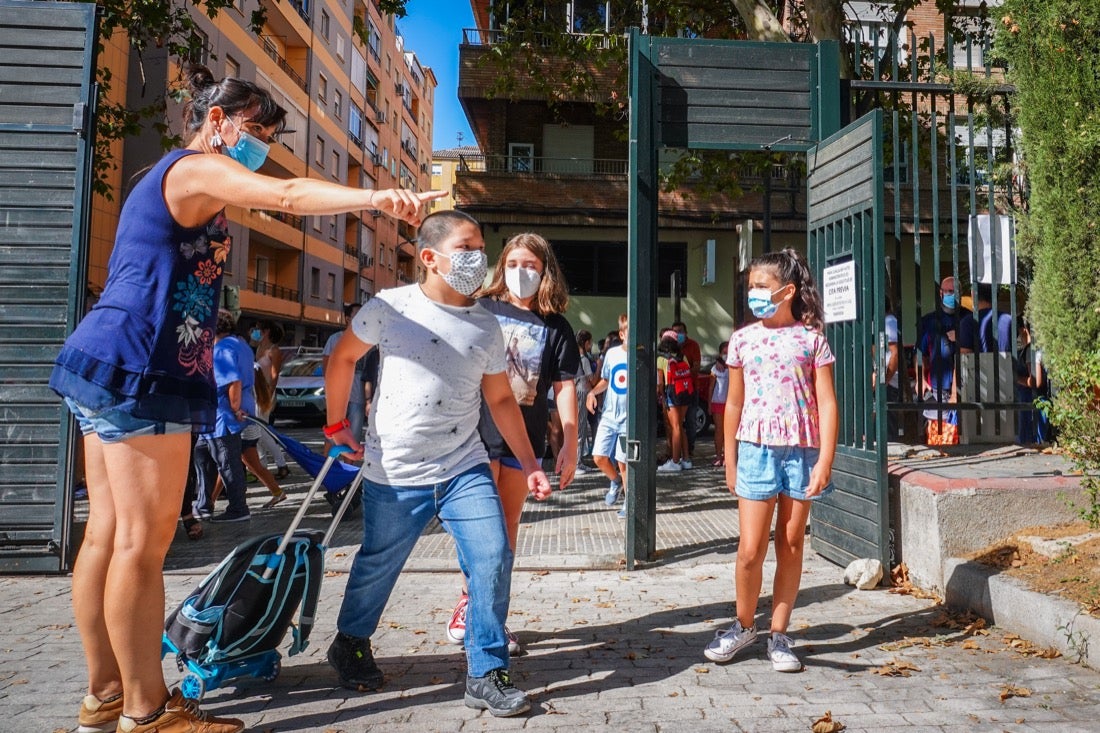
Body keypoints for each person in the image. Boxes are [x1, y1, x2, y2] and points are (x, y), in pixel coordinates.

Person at [48, 64, 438, 733]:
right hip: (143, 368)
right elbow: (284, 192)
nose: (262, 141)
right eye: (255, 128)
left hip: (108, 360)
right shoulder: (193, 169)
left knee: (109, 538)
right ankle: (145, 713)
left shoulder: (178, 183)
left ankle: (107, 694)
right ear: (217, 121)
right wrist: (375, 199)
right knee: (139, 545)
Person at [322, 210, 552, 718]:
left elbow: (500, 401)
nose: (478, 260)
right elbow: (342, 359)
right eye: (466, 249)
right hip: (395, 471)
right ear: (430, 258)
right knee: (378, 563)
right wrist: (336, 425)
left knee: (493, 554)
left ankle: (486, 671)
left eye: (479, 248)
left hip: (462, 466)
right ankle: (350, 642)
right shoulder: (390, 307)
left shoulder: (486, 325)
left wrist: (531, 462)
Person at [704, 248, 838, 673]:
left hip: (802, 452)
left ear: (788, 290)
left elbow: (828, 403)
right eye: (751, 287)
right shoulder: (742, 339)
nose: (754, 294)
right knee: (749, 550)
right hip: (756, 451)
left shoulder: (812, 340)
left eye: (762, 286)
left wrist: (825, 462)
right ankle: (744, 625)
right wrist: (728, 457)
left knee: (792, 543)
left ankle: (779, 634)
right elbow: (733, 403)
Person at [446, 232, 579, 655]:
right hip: (473, 436)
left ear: (545, 272)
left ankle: (492, 618)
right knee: (477, 532)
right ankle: (471, 604)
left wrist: (570, 442)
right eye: (515, 263)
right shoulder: (481, 309)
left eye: (532, 266)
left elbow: (565, 389)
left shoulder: (556, 326)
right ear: (501, 266)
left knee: (505, 534)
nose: (523, 273)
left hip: (525, 443)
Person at [193, 309, 257, 523]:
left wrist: (235, 407)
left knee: (227, 461)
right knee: (203, 455)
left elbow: (233, 380)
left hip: (223, 415)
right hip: (219, 416)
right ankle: (203, 505)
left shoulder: (221, 349)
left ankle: (238, 508)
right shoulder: (241, 344)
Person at [915, 276, 973, 442]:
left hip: (967, 388)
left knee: (964, 439)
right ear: (940, 293)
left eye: (955, 292)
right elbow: (920, 354)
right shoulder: (929, 321)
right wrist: (920, 379)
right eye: (948, 291)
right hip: (937, 390)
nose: (951, 295)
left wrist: (960, 339)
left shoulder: (969, 320)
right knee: (939, 440)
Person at [586, 314, 630, 516]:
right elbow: (605, 380)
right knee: (599, 457)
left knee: (624, 461)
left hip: (628, 419)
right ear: (622, 334)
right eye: (630, 332)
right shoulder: (612, 354)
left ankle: (629, 502)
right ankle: (615, 481)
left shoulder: (640, 355)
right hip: (610, 416)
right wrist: (592, 392)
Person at [323, 302, 372, 441]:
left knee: (353, 436)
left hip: (358, 396)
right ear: (348, 319)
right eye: (357, 315)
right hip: (337, 394)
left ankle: (348, 464)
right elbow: (327, 365)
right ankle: (329, 463)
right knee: (332, 436)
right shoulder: (334, 339)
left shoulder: (370, 341)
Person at [250, 320, 289, 478]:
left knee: (261, 429)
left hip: (265, 393)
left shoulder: (274, 351)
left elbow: (274, 375)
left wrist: (269, 394)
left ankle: (281, 464)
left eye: (259, 330)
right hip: (254, 392)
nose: (256, 332)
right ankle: (263, 466)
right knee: (256, 430)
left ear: (266, 332)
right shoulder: (258, 347)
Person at [656, 329, 694, 472]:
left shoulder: (661, 359)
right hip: (684, 392)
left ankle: (675, 462)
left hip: (672, 393)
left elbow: (660, 382)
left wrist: (661, 397)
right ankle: (686, 459)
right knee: (681, 426)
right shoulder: (682, 357)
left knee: (675, 428)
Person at [671, 320, 701, 468]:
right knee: (676, 424)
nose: (678, 334)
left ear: (686, 332)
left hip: (690, 389)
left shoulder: (693, 345)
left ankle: (689, 451)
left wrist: (682, 374)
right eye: (675, 331)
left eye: (680, 331)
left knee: (690, 421)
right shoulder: (671, 347)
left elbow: (696, 366)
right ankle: (677, 452)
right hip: (675, 390)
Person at [573, 330, 599, 471]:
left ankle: (578, 461)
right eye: (590, 342)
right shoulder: (584, 360)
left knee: (577, 426)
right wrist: (600, 366)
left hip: (575, 392)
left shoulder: (573, 358)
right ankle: (577, 463)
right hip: (582, 393)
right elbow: (593, 380)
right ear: (586, 343)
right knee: (581, 428)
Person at [708, 340, 730, 466]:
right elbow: (711, 387)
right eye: (724, 352)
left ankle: (728, 457)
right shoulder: (715, 369)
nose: (726, 355)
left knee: (729, 431)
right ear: (720, 353)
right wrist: (710, 405)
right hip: (718, 402)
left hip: (731, 404)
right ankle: (718, 456)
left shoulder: (735, 367)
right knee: (719, 430)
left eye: (728, 352)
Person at [883, 296, 901, 440]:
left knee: (888, 422)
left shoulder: (889, 322)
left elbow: (895, 352)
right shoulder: (882, 321)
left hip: (890, 381)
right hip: (883, 379)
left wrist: (886, 379)